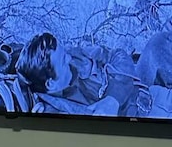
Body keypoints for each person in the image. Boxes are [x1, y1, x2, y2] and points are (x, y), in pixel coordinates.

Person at [14, 32, 145, 115]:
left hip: (141, 95)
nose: (69, 58)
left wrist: (112, 99)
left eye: (64, 53)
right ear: (50, 84)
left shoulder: (77, 56)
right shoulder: (51, 112)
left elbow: (118, 55)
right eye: (63, 61)